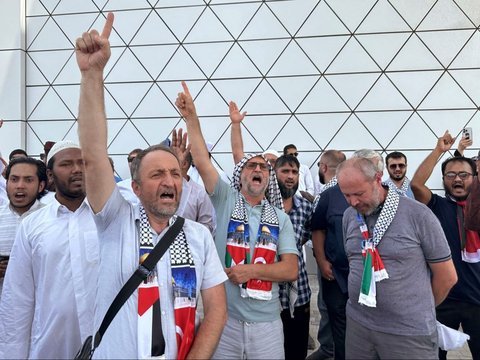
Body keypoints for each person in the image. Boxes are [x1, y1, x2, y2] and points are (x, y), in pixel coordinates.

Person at [75, 13, 227, 359]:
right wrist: (92, 75)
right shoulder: (115, 220)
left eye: (174, 173)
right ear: (136, 188)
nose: (170, 180)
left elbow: (217, 311)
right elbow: (94, 155)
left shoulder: (197, 236)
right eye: (157, 174)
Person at [177, 81, 298, 359]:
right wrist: (192, 117)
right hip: (224, 322)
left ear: (268, 180)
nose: (257, 169)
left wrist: (251, 271)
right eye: (251, 166)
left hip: (267, 325)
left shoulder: (280, 218)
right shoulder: (225, 199)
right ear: (240, 176)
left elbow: (290, 269)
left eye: (263, 168)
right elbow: (201, 159)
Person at [338, 156, 457, 359]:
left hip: (407, 333)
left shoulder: (418, 215)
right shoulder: (350, 215)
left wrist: (416, 309)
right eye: (346, 195)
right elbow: (353, 261)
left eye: (358, 193)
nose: (353, 202)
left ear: (377, 178)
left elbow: (447, 277)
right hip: (359, 327)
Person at [0, 141, 99, 359]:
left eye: (82, 163)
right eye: (66, 164)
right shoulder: (33, 225)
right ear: (50, 176)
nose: (76, 169)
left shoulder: (109, 220)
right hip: (50, 346)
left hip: (106, 344)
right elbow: (18, 297)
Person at [411, 130, 480, 360]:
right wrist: (439, 150)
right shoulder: (437, 206)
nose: (457, 179)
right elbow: (416, 184)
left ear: (474, 177)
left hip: (477, 300)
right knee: (432, 355)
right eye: (450, 175)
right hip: (443, 299)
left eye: (463, 174)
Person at [274, 155, 313, 360]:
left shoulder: (306, 208)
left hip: (300, 294)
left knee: (296, 351)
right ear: (274, 173)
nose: (290, 177)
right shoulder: (262, 208)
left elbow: (309, 236)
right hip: (269, 297)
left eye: (294, 172)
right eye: (285, 171)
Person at [310, 149, 348, 360]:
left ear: (324, 167)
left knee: (328, 308)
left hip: (334, 269)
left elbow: (316, 229)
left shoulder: (326, 194)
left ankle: (329, 349)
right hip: (338, 267)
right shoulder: (334, 193)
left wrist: (322, 261)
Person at [0, 157, 47, 299]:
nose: (20, 186)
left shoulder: (53, 218)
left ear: (41, 186)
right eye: (14, 179)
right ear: (6, 183)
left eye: (28, 180)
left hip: (40, 308)